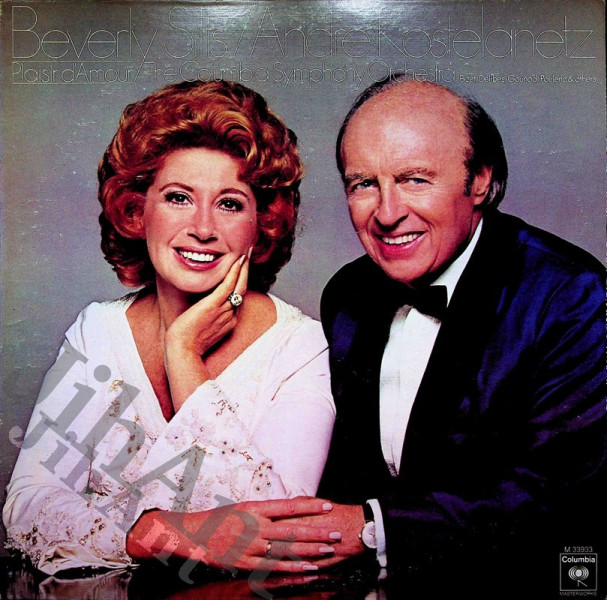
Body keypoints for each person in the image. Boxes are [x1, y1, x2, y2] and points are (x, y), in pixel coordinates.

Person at [260, 77, 606, 584]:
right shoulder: (348, 293)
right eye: (363, 184)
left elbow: (565, 496)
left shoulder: (572, 295)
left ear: (480, 180)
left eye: (415, 180)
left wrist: (374, 529)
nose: (388, 213)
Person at [3, 80, 336, 576]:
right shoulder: (97, 332)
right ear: (138, 211)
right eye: (178, 197)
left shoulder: (300, 347)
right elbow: (27, 507)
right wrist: (155, 532)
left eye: (230, 203)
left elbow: (275, 534)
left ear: (261, 223)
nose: (202, 228)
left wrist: (183, 352)